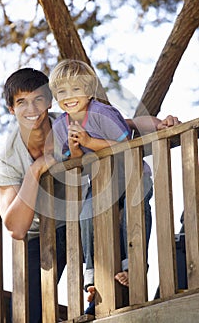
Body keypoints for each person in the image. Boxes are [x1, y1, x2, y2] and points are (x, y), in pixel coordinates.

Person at [48, 59, 181, 315]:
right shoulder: (60, 126)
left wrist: (90, 141)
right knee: (87, 214)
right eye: (62, 92)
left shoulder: (103, 113)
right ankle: (92, 276)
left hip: (131, 177)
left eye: (76, 89)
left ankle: (133, 265)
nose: (69, 97)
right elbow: (68, 159)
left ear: (89, 91)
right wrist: (76, 150)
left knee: (136, 211)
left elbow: (125, 147)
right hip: (101, 184)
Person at [0, 68, 68, 323]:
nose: (31, 108)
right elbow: (16, 228)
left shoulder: (70, 124)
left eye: (38, 99)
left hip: (80, 219)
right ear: (12, 109)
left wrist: (156, 123)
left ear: (49, 101)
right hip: (39, 234)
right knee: (24, 310)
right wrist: (36, 170)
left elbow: (120, 127)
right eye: (21, 102)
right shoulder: (7, 158)